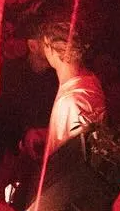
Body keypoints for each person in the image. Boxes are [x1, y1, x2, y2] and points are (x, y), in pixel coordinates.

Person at [39, 16, 107, 157]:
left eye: (44, 45)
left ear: (51, 48)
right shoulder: (89, 79)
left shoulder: (70, 102)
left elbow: (72, 155)